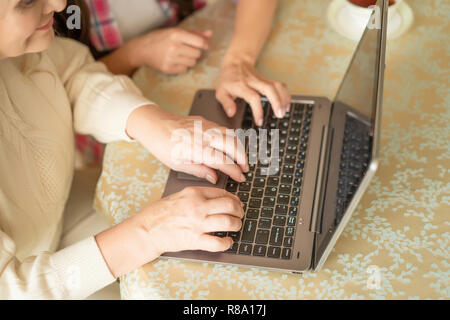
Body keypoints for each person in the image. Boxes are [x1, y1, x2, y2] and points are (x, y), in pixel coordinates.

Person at [0, 0, 247, 299]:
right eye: (26, 1)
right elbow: (15, 288)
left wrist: (153, 123)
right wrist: (149, 232)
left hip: (59, 212)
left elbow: (68, 71)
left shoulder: (22, 45)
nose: (59, 3)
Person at [67, 0, 292, 166]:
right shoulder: (61, 9)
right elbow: (68, 84)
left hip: (190, 70)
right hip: (112, 124)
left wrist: (238, 61)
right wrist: (135, 53)